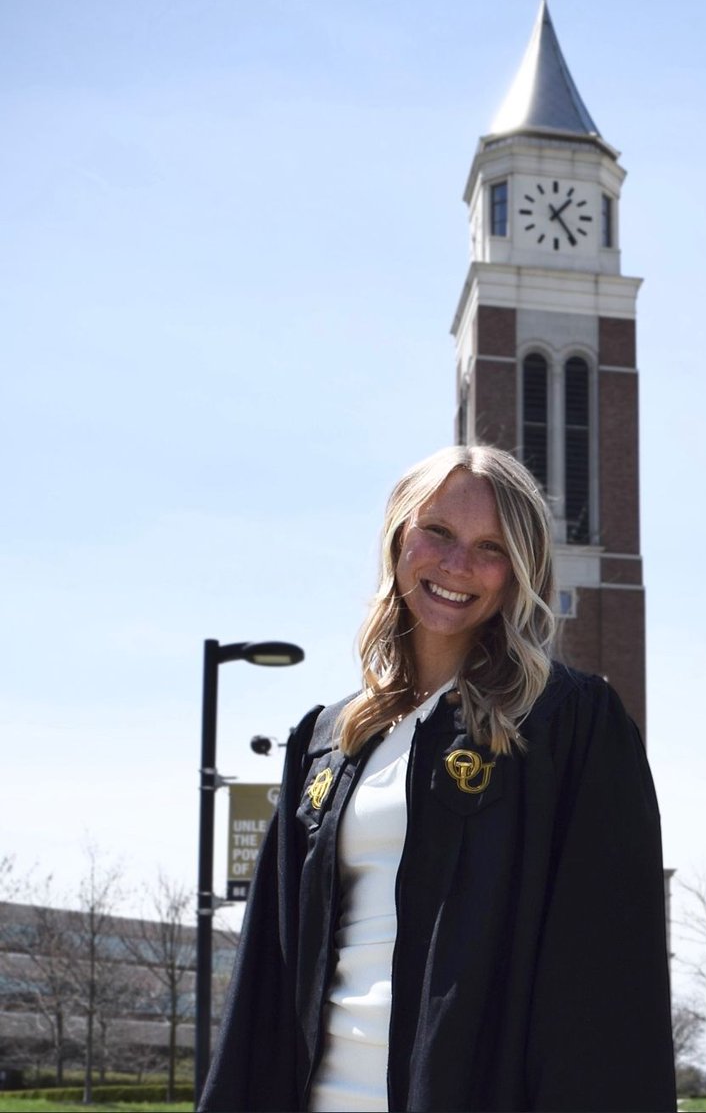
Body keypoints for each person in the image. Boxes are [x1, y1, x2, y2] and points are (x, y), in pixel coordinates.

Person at [200, 445, 676, 1113]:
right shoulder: (327, 741)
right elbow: (266, 982)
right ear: (400, 537)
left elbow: (604, 990)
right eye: (440, 533)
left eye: (491, 547)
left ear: (520, 571)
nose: (457, 565)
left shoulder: (567, 726)